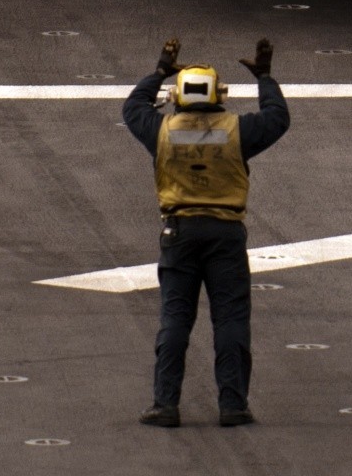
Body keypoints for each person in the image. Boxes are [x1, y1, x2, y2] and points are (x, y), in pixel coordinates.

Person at [122, 37, 289, 428]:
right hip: (226, 234)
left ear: (178, 95)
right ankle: (233, 405)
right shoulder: (237, 131)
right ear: (220, 95)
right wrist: (265, 78)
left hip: (179, 234)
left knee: (175, 320)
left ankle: (165, 404)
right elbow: (278, 118)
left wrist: (160, 70)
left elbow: (132, 108)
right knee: (230, 321)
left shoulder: (161, 131)